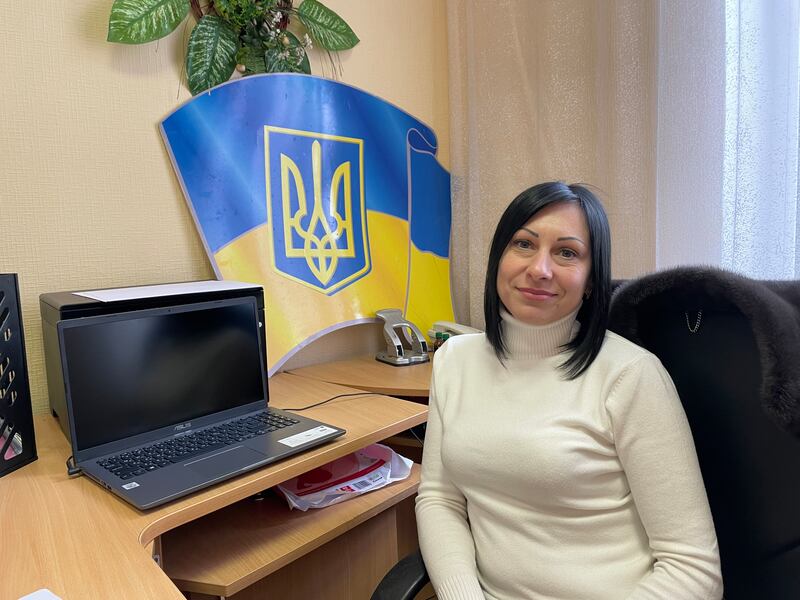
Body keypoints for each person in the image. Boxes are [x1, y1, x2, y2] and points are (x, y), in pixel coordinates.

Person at [415, 182, 722, 599]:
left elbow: (693, 570)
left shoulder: (631, 376)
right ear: (498, 257)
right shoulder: (454, 360)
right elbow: (440, 499)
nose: (540, 269)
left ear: (592, 280)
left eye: (567, 253)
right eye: (523, 244)